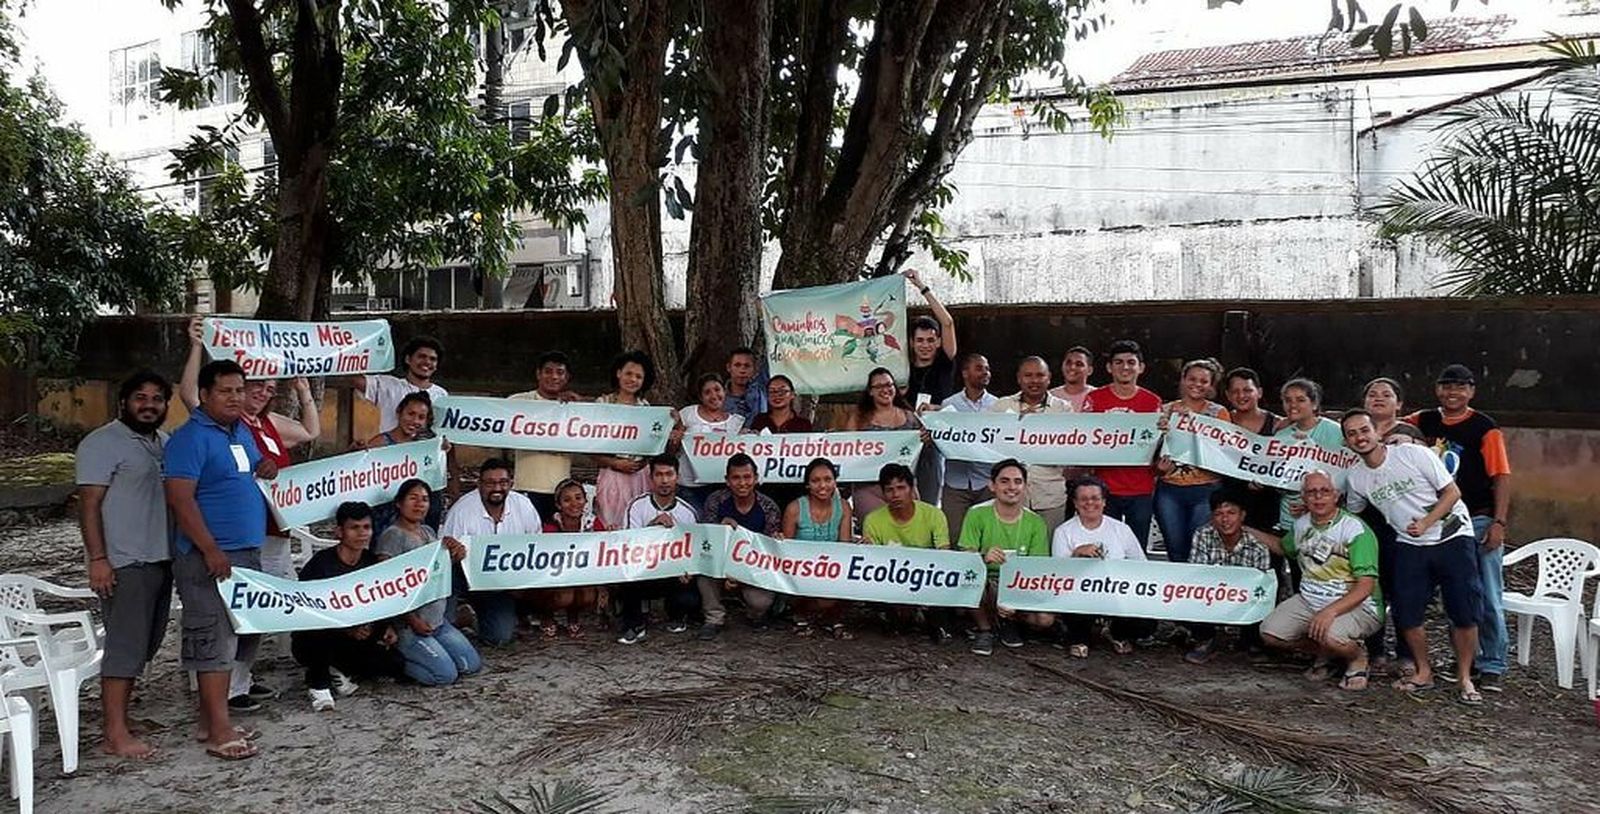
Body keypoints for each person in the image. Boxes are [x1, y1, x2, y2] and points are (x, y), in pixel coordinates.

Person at [183, 317, 319, 711]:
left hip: (273, 530)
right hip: (235, 533)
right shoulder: (219, 424)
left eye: (266, 388)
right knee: (230, 612)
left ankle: (240, 679)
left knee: (260, 609)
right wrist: (195, 346)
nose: (259, 393)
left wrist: (303, 391)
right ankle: (220, 687)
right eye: (252, 386)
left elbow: (309, 433)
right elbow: (189, 393)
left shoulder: (266, 425)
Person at [164, 359, 278, 761]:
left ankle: (210, 720)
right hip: (210, 556)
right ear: (206, 395)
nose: (235, 397)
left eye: (239, 390)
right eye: (225, 391)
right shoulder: (190, 438)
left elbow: (245, 473)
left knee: (243, 632)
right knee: (215, 640)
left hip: (246, 551)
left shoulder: (240, 431)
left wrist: (264, 465)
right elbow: (180, 499)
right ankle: (218, 730)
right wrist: (209, 548)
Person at [1341, 408, 1484, 705]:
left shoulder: (1412, 455)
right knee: (1407, 612)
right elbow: (1353, 514)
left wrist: (1426, 522)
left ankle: (1465, 677)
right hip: (1409, 543)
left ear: (1378, 432)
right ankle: (1423, 671)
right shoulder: (1356, 477)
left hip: (1452, 536)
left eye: (1364, 430)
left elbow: (1452, 493)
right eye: (1352, 433)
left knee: (1463, 610)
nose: (1359, 437)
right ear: (1346, 442)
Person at [75, 370, 172, 759]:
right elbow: (89, 506)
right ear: (124, 402)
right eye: (140, 398)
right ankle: (114, 733)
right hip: (124, 561)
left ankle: (124, 719)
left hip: (161, 557)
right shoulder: (101, 444)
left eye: (157, 399)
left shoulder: (163, 443)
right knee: (125, 646)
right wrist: (99, 559)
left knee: (146, 643)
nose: (149, 405)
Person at [1405, 364, 1512, 693]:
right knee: (1459, 594)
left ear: (1471, 392)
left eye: (1461, 387)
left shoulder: (1484, 428)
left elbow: (1501, 476)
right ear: (1437, 389)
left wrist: (1498, 521)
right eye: (1447, 386)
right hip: (1437, 521)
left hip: (1477, 517)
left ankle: (1492, 662)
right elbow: (1385, 428)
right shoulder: (1421, 422)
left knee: (1489, 593)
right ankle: (1466, 658)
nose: (1453, 393)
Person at [1255, 472, 1383, 692]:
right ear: (1303, 498)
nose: (1318, 497)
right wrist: (1247, 531)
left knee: (1331, 634)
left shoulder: (1354, 529)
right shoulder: (1301, 525)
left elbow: (1366, 586)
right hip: (1310, 600)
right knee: (1270, 633)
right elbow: (1283, 548)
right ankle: (1327, 652)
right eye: (1312, 492)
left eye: (1325, 491)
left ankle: (1357, 657)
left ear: (1336, 495)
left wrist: (1330, 612)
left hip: (1358, 604)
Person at [291, 502, 406, 711]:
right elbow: (305, 609)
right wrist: (346, 627)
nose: (362, 534)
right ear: (339, 532)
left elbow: (383, 600)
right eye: (354, 528)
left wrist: (385, 626)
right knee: (315, 637)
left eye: (366, 527)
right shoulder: (321, 564)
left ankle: (339, 670)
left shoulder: (371, 562)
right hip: (322, 634)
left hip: (360, 635)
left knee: (394, 665)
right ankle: (318, 684)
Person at [375, 479, 480, 686]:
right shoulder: (392, 536)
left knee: (470, 665)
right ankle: (391, 665)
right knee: (445, 676)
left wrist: (454, 551)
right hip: (409, 624)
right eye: (413, 498)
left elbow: (437, 570)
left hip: (437, 621)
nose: (419, 504)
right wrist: (412, 619)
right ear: (399, 503)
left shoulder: (429, 532)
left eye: (424, 499)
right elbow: (385, 587)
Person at [440, 458, 543, 646]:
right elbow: (445, 556)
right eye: (490, 483)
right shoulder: (462, 510)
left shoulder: (524, 506)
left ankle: (471, 617)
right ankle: (455, 614)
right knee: (448, 584)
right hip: (464, 579)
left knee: (499, 637)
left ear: (511, 484)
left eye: (503, 483)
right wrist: (455, 552)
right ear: (479, 484)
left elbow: (536, 548)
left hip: (502, 584)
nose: (497, 488)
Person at [1050, 477, 1156, 657]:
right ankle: (1080, 638)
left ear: (1104, 502)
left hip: (1116, 591)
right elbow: (1058, 576)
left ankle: (1116, 632)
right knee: (1074, 611)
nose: (1089, 503)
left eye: (1095, 498)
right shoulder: (1063, 532)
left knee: (1147, 624)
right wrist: (1076, 554)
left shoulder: (1121, 529)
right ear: (1075, 503)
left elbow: (1140, 565)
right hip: (1079, 594)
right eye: (1083, 499)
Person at [1358, 376, 1422, 673]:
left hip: (1402, 521)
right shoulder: (1354, 432)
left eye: (1387, 394)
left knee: (1403, 587)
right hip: (1366, 519)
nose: (1378, 398)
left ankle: (1408, 654)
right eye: (1372, 394)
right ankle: (1374, 650)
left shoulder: (1410, 434)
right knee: (1371, 585)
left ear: (1399, 403)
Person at [958, 460, 1051, 656]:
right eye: (1004, 481)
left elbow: (1036, 568)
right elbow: (965, 557)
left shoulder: (1035, 522)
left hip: (1019, 583)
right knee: (968, 580)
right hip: (986, 580)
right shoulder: (977, 514)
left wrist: (1014, 596)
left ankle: (1009, 621)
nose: (1011, 487)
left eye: (1018, 482)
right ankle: (985, 629)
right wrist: (983, 557)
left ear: (1025, 487)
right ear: (992, 485)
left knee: (1045, 619)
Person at [1080, 340, 1162, 548]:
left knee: (1136, 547)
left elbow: (1159, 443)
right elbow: (1082, 437)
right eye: (1118, 362)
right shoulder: (1094, 399)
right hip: (1104, 488)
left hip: (1141, 487)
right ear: (1109, 367)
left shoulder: (1152, 401)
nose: (1125, 367)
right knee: (1103, 547)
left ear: (1140, 367)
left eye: (1131, 362)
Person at [861, 463, 953, 641]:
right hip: (890, 577)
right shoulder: (873, 520)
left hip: (927, 576)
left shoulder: (934, 515)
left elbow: (944, 552)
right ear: (883, 493)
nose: (895, 494)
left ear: (912, 488)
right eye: (889, 490)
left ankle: (933, 620)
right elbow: (872, 561)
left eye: (901, 488)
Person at [617, 455, 702, 645]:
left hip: (672, 574)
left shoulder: (688, 512)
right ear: (651, 478)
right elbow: (630, 546)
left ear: (677, 477)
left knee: (690, 597)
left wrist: (688, 570)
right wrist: (653, 526)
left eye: (669, 474)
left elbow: (693, 551)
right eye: (659, 475)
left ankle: (676, 614)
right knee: (626, 578)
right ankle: (633, 624)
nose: (664, 480)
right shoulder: (636, 506)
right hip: (644, 570)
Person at [1183, 490, 1274, 664]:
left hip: (1245, 596)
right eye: (1219, 514)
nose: (1225, 520)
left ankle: (1249, 642)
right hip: (1212, 593)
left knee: (1262, 599)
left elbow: (1262, 583)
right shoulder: (1202, 534)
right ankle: (1206, 639)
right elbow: (1196, 573)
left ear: (1242, 515)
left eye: (1231, 513)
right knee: (1192, 593)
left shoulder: (1257, 544)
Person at [698, 454, 783, 639]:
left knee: (761, 602)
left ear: (756, 479)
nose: (742, 483)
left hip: (754, 567)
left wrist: (741, 574)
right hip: (720, 563)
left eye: (747, 477)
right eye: (736, 478)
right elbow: (708, 543)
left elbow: (767, 552)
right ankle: (714, 618)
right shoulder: (715, 501)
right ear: (727, 481)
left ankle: (755, 615)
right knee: (704, 573)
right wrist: (721, 529)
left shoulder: (768, 507)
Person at [1154, 359, 1230, 563]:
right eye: (1192, 379)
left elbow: (1226, 451)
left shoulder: (1218, 413)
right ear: (1183, 380)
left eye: (1204, 381)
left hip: (1206, 490)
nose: (1197, 384)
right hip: (1169, 490)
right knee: (1175, 550)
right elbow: (1150, 450)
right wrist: (1159, 468)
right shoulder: (1164, 410)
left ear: (1211, 385)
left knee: (1198, 551)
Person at [989, 356, 1073, 531]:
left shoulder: (1063, 409)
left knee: (1047, 552)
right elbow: (979, 438)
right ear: (1019, 378)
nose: (1034, 380)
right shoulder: (1001, 406)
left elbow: (1071, 452)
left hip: (1050, 497)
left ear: (1049, 378)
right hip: (1009, 496)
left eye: (1040, 375)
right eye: (1028, 375)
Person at [902, 268, 959, 506]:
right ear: (912, 343)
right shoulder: (902, 367)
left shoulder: (945, 362)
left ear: (936, 342)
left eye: (930, 340)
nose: (925, 345)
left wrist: (921, 287)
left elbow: (947, 322)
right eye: (920, 340)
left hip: (935, 439)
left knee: (929, 500)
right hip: (904, 436)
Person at [782, 458, 855, 639]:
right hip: (800, 571)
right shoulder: (794, 508)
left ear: (835, 482)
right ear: (808, 485)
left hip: (831, 570)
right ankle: (800, 614)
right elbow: (785, 549)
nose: (823, 485)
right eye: (816, 481)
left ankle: (832, 617)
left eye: (828, 479)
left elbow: (844, 546)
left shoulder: (844, 507)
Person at [364, 392, 449, 533]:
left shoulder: (427, 445)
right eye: (410, 414)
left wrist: (440, 450)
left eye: (421, 417)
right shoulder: (380, 443)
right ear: (399, 413)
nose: (415, 421)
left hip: (418, 518)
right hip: (384, 515)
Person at [843, 367, 921, 519]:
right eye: (879, 387)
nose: (885, 390)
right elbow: (846, 448)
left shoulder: (910, 417)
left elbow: (926, 443)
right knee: (875, 535)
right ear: (870, 392)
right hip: (869, 487)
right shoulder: (859, 418)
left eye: (889, 385)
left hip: (904, 487)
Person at [509, 350, 579, 520]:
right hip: (525, 488)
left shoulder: (575, 407)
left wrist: (580, 404)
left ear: (567, 377)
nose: (554, 377)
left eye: (560, 372)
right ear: (538, 374)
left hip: (561, 492)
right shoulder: (518, 402)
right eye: (548, 371)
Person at [593, 350, 656, 530]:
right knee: (611, 524)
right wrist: (615, 463)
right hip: (611, 474)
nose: (632, 379)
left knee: (638, 525)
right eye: (629, 373)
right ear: (618, 373)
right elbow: (588, 447)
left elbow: (651, 446)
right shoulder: (602, 404)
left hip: (640, 475)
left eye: (638, 376)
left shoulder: (646, 408)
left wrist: (642, 462)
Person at [535, 479, 604, 639]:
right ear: (558, 505)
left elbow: (603, 549)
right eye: (567, 500)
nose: (574, 503)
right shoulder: (550, 527)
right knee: (565, 596)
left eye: (578, 498)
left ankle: (573, 618)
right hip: (556, 576)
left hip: (584, 575)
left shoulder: (593, 523)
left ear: (586, 500)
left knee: (588, 596)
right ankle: (547, 616)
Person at [940, 353, 998, 536]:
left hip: (986, 483)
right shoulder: (949, 405)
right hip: (955, 483)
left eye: (987, 368)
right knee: (955, 536)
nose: (986, 372)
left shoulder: (998, 406)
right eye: (979, 368)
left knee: (988, 536)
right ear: (965, 373)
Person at [674, 372, 745, 513]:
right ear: (700, 397)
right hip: (689, 487)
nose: (713, 396)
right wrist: (676, 438)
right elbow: (672, 449)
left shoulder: (736, 422)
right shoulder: (687, 414)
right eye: (707, 392)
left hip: (722, 487)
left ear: (724, 391)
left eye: (717, 390)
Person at [1222, 367, 1282, 533]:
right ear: (1228, 395)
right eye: (1235, 391)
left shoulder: (1278, 424)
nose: (1241, 396)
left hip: (1267, 504)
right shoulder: (1219, 422)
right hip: (1229, 502)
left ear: (1259, 392)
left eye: (1247, 390)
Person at [353, 335, 447, 434]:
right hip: (391, 449)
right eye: (421, 356)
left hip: (427, 449)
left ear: (436, 366)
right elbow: (354, 380)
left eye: (433, 359)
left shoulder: (442, 395)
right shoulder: (388, 385)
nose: (427, 362)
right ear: (408, 359)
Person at [747, 374, 813, 508]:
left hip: (795, 486)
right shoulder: (759, 420)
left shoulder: (803, 424)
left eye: (782, 391)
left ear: (792, 395)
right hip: (763, 487)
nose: (777, 395)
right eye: (772, 392)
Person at [723, 346, 768, 419]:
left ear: (754, 369)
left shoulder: (761, 390)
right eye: (737, 365)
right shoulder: (720, 398)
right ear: (729, 367)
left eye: (747, 366)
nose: (742, 370)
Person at [1049, 346, 1096, 412]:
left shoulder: (1098, 396)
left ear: (1090, 370)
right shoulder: (1051, 396)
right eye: (1068, 363)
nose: (1072, 367)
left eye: (1079, 364)